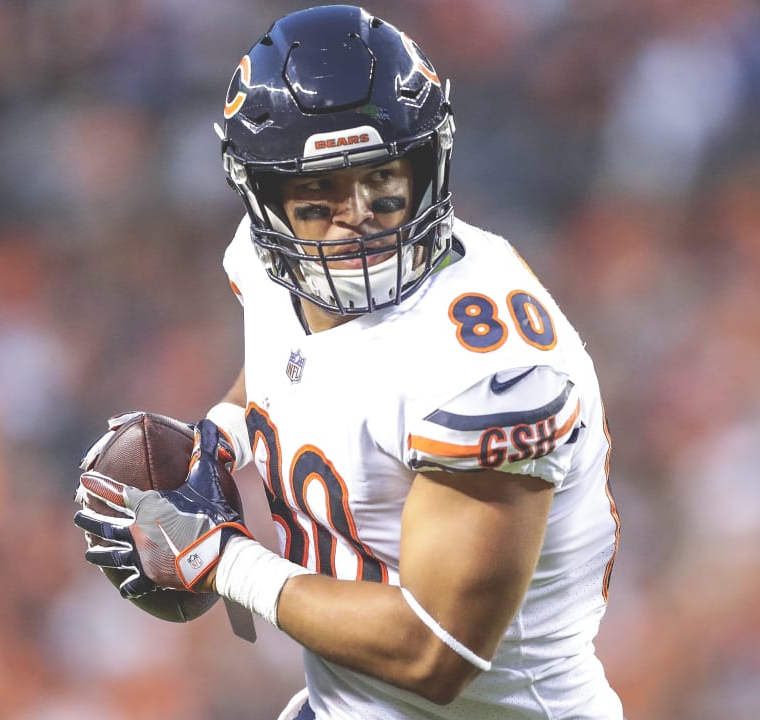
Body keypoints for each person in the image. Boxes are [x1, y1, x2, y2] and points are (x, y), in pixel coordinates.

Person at [74, 5, 624, 718]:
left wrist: (223, 560)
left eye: (380, 178)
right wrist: (222, 436)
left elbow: (436, 653)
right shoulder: (269, 264)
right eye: (318, 193)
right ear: (265, 198)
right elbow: (288, 362)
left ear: (429, 161)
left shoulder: (490, 374)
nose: (357, 214)